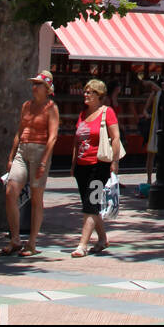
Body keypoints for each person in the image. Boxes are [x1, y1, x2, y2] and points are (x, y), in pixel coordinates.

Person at [2, 70, 60, 256]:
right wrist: (11, 156)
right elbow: (19, 131)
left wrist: (44, 161)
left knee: (36, 197)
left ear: (47, 88)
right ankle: (15, 238)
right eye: (33, 84)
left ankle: (32, 242)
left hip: (40, 150)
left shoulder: (51, 108)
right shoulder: (26, 106)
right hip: (23, 149)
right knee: (11, 191)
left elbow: (53, 137)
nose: (34, 87)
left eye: (38, 84)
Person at [71, 79, 120, 257]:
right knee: (89, 204)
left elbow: (115, 137)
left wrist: (114, 162)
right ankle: (102, 239)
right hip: (82, 166)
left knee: (91, 204)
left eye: (90, 92)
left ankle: (82, 245)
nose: (86, 94)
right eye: (85, 91)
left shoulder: (107, 113)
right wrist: (73, 163)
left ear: (99, 96)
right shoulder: (83, 114)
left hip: (99, 165)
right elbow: (76, 140)